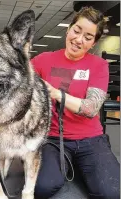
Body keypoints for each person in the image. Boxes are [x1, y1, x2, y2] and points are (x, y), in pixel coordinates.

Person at [31, 6, 120, 199]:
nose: (79, 39)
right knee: (42, 188)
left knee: (111, 193)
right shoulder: (43, 60)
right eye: (77, 31)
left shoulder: (98, 65)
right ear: (68, 29)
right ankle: (69, 166)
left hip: (90, 138)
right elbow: (19, 80)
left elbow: (91, 108)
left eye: (88, 37)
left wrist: (56, 93)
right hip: (53, 139)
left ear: (93, 43)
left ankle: (83, 165)